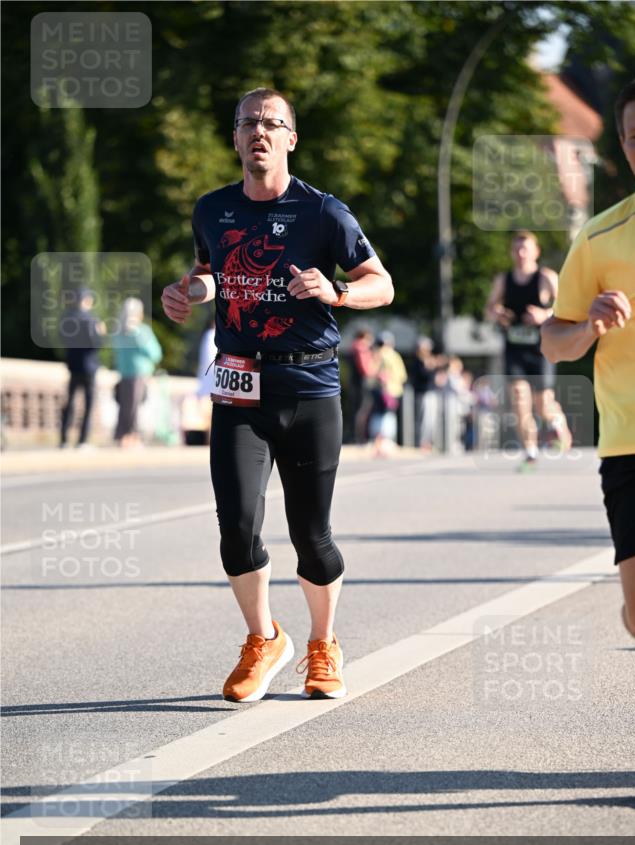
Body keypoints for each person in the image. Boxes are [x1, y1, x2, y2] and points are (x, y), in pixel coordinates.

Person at [161, 87, 393, 702]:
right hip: (239, 384)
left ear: (291, 137)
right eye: (247, 123)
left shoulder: (324, 213)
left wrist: (337, 292)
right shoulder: (212, 209)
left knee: (310, 532)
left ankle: (323, 644)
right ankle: (263, 638)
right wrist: (189, 293)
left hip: (310, 382)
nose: (258, 132)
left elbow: (381, 283)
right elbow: (213, 272)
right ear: (235, 138)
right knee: (236, 526)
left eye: (271, 123)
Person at [541, 74, 635, 800]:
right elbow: (553, 343)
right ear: (621, 147)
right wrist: (587, 321)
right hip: (632, 443)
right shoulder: (601, 237)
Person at [485, 231, 572, 471]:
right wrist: (497, 314)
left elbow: (568, 307)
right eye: (516, 249)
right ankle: (530, 453)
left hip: (541, 348)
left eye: (525, 248)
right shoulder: (504, 280)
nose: (521, 254)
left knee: (543, 403)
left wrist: (544, 315)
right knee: (520, 400)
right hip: (514, 348)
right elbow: (489, 309)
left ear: (536, 251)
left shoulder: (546, 278)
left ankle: (558, 423)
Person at [112, 297, 163, 448]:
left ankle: (124, 436)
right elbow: (155, 353)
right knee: (133, 407)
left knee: (125, 407)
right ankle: (131, 436)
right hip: (138, 374)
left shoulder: (118, 331)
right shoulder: (141, 331)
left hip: (124, 373)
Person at [59, 288, 106, 448]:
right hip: (89, 365)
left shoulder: (67, 318)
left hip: (73, 364)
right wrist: (101, 333)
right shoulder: (91, 320)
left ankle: (64, 439)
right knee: (88, 403)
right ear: (87, 301)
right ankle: (82, 440)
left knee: (70, 402)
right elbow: (96, 344)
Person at [368, 331, 407, 457]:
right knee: (388, 416)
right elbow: (402, 376)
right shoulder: (394, 355)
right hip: (392, 391)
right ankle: (385, 443)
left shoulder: (378, 354)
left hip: (382, 390)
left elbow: (372, 372)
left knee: (379, 415)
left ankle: (379, 443)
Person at [348, 326, 376, 443]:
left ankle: (355, 436)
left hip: (355, 382)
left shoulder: (353, 347)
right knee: (362, 410)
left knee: (356, 409)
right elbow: (366, 369)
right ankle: (359, 437)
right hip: (361, 383)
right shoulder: (361, 348)